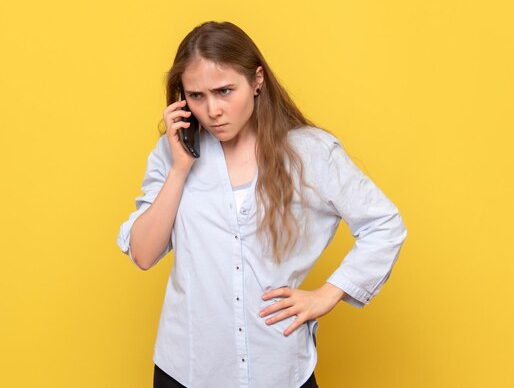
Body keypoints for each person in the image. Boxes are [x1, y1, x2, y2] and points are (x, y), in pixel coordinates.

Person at [116, 21, 408, 388]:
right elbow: (143, 254)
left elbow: (384, 225)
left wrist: (328, 294)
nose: (212, 110)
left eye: (224, 91)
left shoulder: (310, 152)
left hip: (279, 369)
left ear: (257, 81)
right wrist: (179, 169)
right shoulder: (173, 154)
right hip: (188, 369)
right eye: (196, 96)